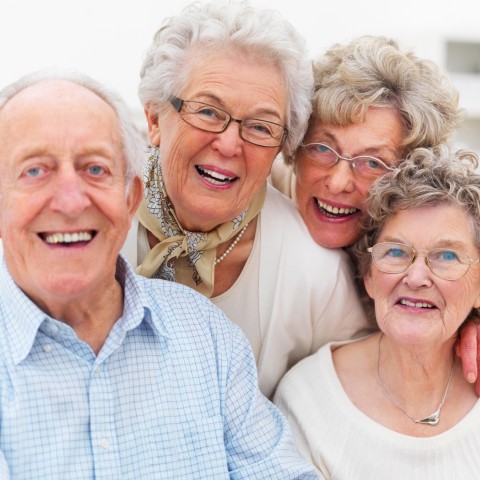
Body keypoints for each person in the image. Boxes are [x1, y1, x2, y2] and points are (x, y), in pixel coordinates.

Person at [0, 69, 322, 479]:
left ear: (131, 198)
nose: (70, 200)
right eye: (34, 171)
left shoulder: (208, 338)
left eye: (95, 170)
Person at [128, 1, 369, 398]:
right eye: (207, 111)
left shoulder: (316, 275)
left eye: (260, 126)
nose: (228, 144)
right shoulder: (91, 221)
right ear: (155, 119)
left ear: (281, 146)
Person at [270, 34, 480, 391]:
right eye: (322, 148)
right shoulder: (258, 200)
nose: (337, 183)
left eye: (372, 163)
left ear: (409, 179)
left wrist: (468, 317)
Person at [274, 146, 480, 479]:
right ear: (369, 275)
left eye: (446, 257)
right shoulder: (308, 400)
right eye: (396, 251)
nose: (415, 277)